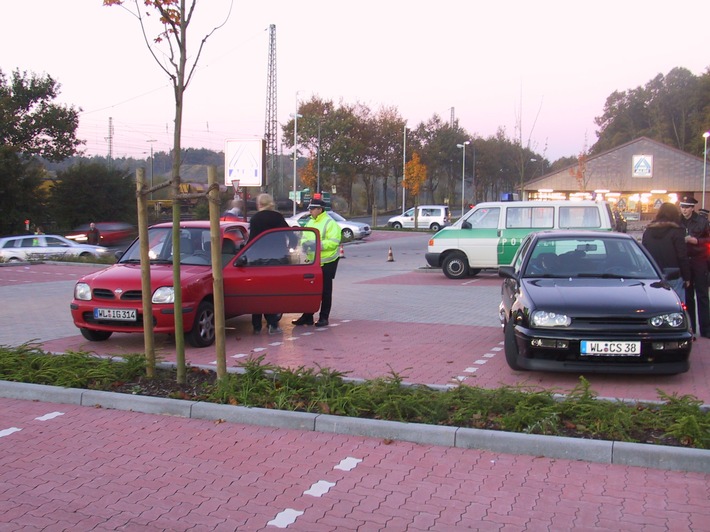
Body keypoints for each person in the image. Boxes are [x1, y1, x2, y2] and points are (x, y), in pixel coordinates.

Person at [292, 196, 341, 327]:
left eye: (313, 209)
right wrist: (303, 245)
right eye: (310, 209)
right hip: (311, 262)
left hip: (326, 262)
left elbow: (334, 242)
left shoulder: (330, 223)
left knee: (325, 291)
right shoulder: (310, 222)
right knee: (310, 290)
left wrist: (316, 244)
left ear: (320, 209)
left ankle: (324, 317)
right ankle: (307, 316)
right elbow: (303, 237)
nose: (310, 211)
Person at [247, 193, 289, 334]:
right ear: (271, 203)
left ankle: (256, 325)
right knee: (272, 293)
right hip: (277, 260)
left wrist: (244, 254)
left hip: (258, 261)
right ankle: (272, 324)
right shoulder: (278, 217)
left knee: (257, 292)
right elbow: (291, 235)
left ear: (259, 204)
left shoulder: (255, 219)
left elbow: (252, 241)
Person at [641, 202, 690, 303]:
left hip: (653, 272)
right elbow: (682, 255)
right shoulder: (677, 231)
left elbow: (643, 253)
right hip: (674, 273)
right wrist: (687, 277)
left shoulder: (648, 231)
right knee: (677, 305)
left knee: (657, 304)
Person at [679, 195, 710, 338]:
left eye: (686, 207)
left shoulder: (702, 221)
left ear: (692, 208)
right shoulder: (677, 221)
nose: (684, 210)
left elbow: (708, 238)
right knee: (688, 296)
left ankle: (706, 329)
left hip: (699, 260)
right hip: (685, 261)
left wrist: (695, 240)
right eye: (682, 207)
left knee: (702, 295)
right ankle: (690, 329)